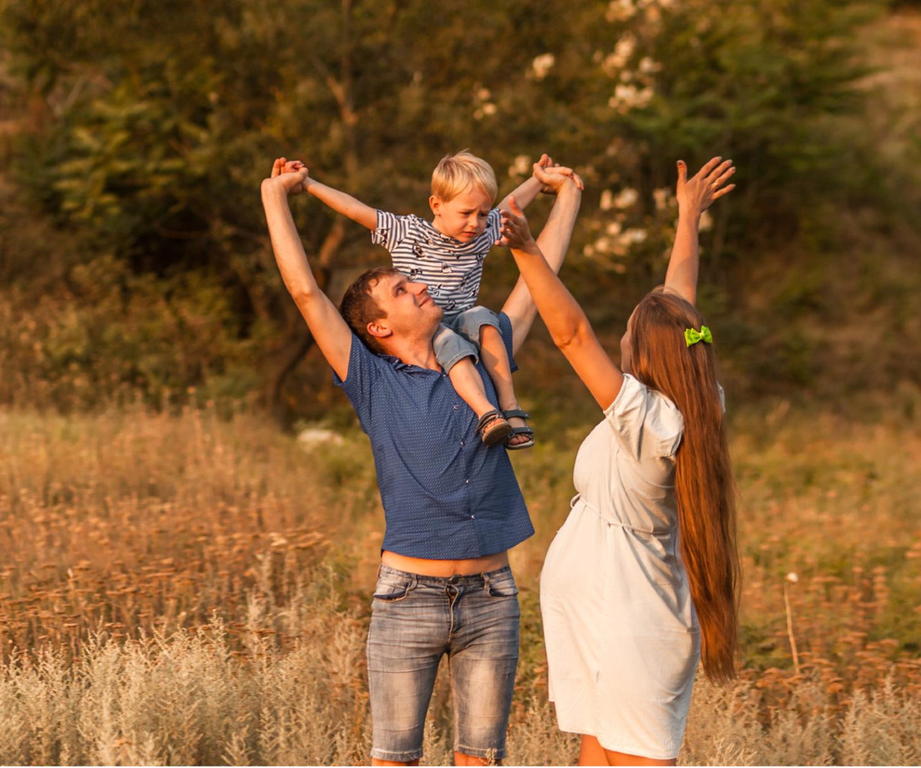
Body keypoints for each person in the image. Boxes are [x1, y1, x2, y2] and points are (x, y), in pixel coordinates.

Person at [260, 156, 582, 765]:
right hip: (409, 596)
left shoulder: (486, 361)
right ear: (378, 326)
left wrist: (565, 196)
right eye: (403, 290)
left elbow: (541, 279)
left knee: (480, 759)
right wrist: (276, 195)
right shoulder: (371, 378)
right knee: (394, 760)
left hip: (492, 595)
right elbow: (304, 289)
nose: (422, 285)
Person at [494, 157, 742, 765]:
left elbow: (573, 334)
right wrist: (688, 217)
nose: (622, 340)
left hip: (631, 621)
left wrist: (528, 251)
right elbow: (678, 304)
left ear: (648, 355)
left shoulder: (653, 420)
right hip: (603, 611)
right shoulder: (693, 395)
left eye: (630, 333)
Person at [292, 151, 583, 449]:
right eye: (466, 213)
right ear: (437, 205)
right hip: (426, 327)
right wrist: (310, 184)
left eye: (482, 214)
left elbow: (511, 205)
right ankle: (487, 413)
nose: (475, 223)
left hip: (464, 319)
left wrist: (538, 180)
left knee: (486, 319)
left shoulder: (480, 234)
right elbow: (355, 209)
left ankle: (510, 405)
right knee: (449, 340)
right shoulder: (407, 232)